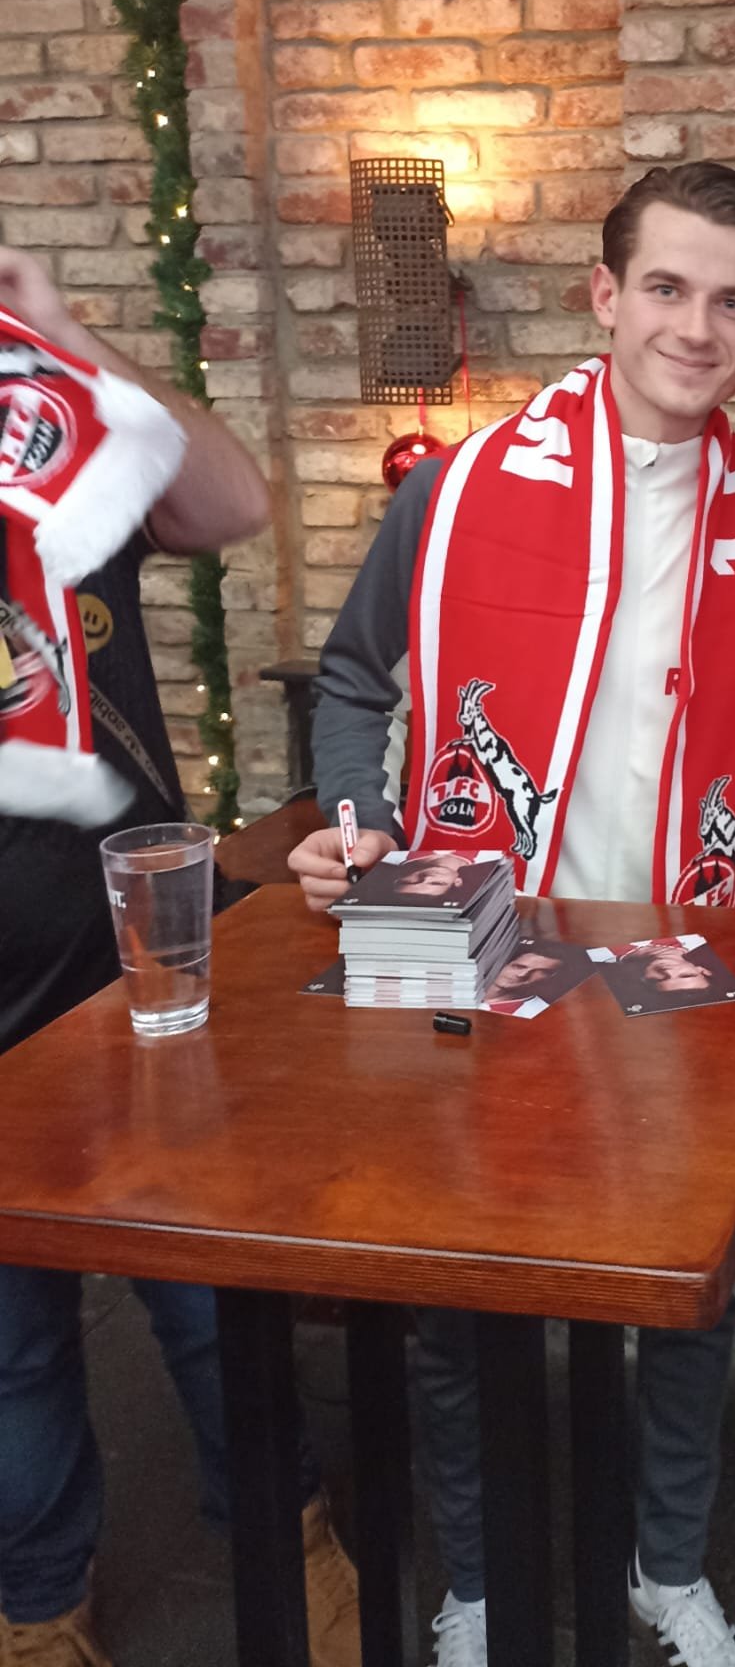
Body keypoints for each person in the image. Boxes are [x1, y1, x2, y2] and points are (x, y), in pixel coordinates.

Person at [289, 162, 735, 1667]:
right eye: (667, 287)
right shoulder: (456, 489)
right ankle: (477, 1585)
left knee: (689, 1299)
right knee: (460, 1305)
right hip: (480, 947)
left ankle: (666, 1568)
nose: (695, 327)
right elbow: (354, 679)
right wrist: (361, 827)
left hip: (686, 957)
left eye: (731, 301)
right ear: (605, 294)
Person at [0, 250, 362, 1667]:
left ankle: (286, 1532)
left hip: (129, 968)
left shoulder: (38, 436)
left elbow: (230, 504)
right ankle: (40, 1604)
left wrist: (67, 334)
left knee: (212, 1296)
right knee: (12, 1344)